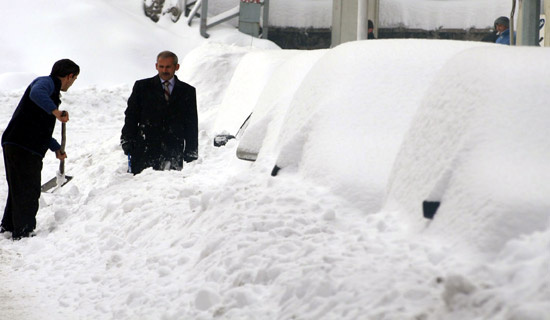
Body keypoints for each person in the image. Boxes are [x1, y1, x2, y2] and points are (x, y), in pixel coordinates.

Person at [1, 59, 79, 240]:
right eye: (74, 79)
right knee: (28, 189)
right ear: (69, 76)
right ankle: (24, 232)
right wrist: (55, 111)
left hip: (21, 143)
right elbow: (36, 93)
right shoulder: (45, 83)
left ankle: (9, 227)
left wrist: (56, 148)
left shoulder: (51, 93)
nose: (72, 83)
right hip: (23, 144)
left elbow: (40, 128)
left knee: (18, 187)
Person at [121, 51, 198, 175]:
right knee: (142, 187)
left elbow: (191, 123)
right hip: (145, 148)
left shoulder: (187, 91)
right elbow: (131, 115)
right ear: (156, 66)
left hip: (173, 150)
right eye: (161, 66)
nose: (164, 70)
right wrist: (127, 139)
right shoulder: (142, 87)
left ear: (176, 67)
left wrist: (191, 150)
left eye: (168, 67)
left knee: (167, 189)